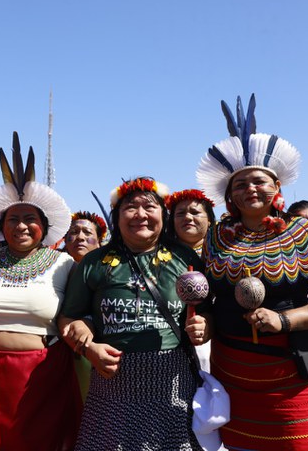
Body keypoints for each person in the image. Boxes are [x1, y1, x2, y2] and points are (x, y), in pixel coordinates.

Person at [195, 94, 308, 450]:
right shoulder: (216, 236)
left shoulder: (305, 232)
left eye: (259, 181)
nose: (250, 188)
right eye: (240, 184)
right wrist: (203, 320)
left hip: (292, 377)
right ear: (229, 195)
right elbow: (207, 298)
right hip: (231, 375)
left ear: (277, 187)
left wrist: (285, 319)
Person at [0, 132, 81, 451]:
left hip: (44, 376)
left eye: (30, 219)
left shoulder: (65, 264)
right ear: (1, 226)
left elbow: (83, 316)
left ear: (44, 225)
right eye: (13, 219)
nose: (21, 226)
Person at [60, 177, 206, 450]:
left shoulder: (184, 258)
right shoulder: (94, 262)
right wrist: (89, 347)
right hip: (112, 387)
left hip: (172, 386)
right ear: (117, 217)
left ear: (163, 214)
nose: (140, 214)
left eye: (149, 207)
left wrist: (205, 326)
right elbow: (69, 318)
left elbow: (208, 310)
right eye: (130, 207)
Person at [164, 189, 215, 256]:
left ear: (209, 220)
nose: (187, 217)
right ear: (172, 220)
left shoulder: (222, 252)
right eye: (181, 213)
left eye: (195, 213)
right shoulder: (159, 253)